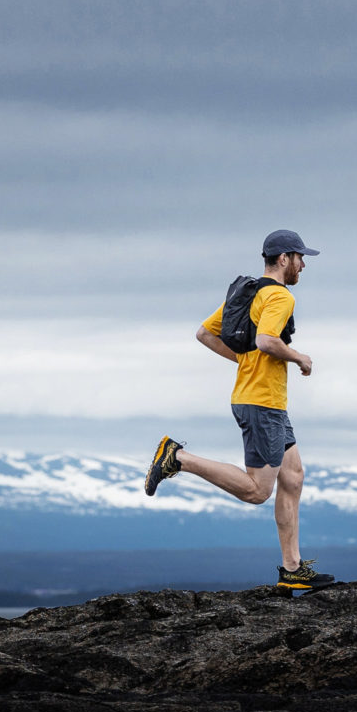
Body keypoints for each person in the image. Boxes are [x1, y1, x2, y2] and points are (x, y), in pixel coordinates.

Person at [145, 229, 334, 590]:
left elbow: (204, 334)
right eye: (300, 258)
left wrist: (243, 361)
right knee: (257, 491)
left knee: (293, 476)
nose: (303, 265)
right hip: (262, 403)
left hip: (264, 399)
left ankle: (292, 570)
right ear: (284, 259)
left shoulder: (248, 292)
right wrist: (299, 358)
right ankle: (179, 458)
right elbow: (266, 340)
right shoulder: (279, 297)